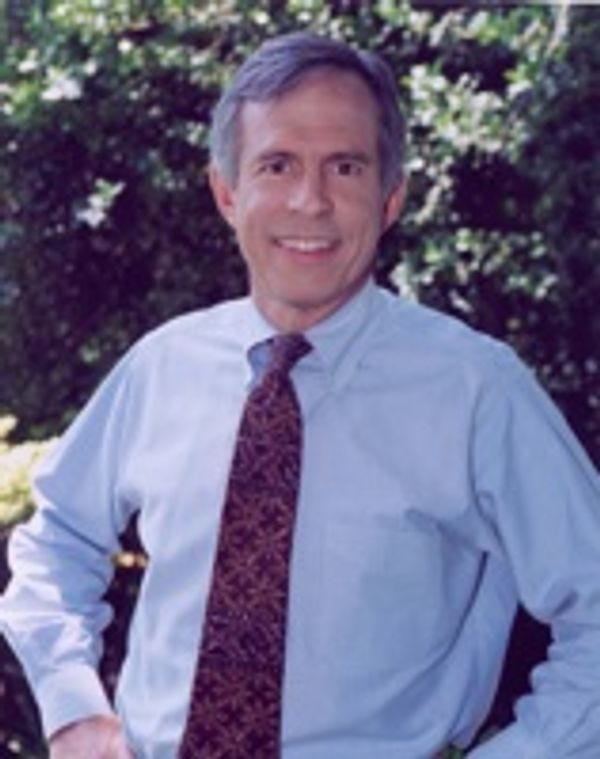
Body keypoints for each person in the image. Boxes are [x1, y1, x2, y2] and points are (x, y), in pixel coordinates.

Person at [1, 31, 599, 759]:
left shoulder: (478, 391)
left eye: (345, 167)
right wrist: (73, 709)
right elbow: (57, 540)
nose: (310, 201)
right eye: (277, 164)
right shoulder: (160, 368)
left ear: (390, 198)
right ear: (227, 192)